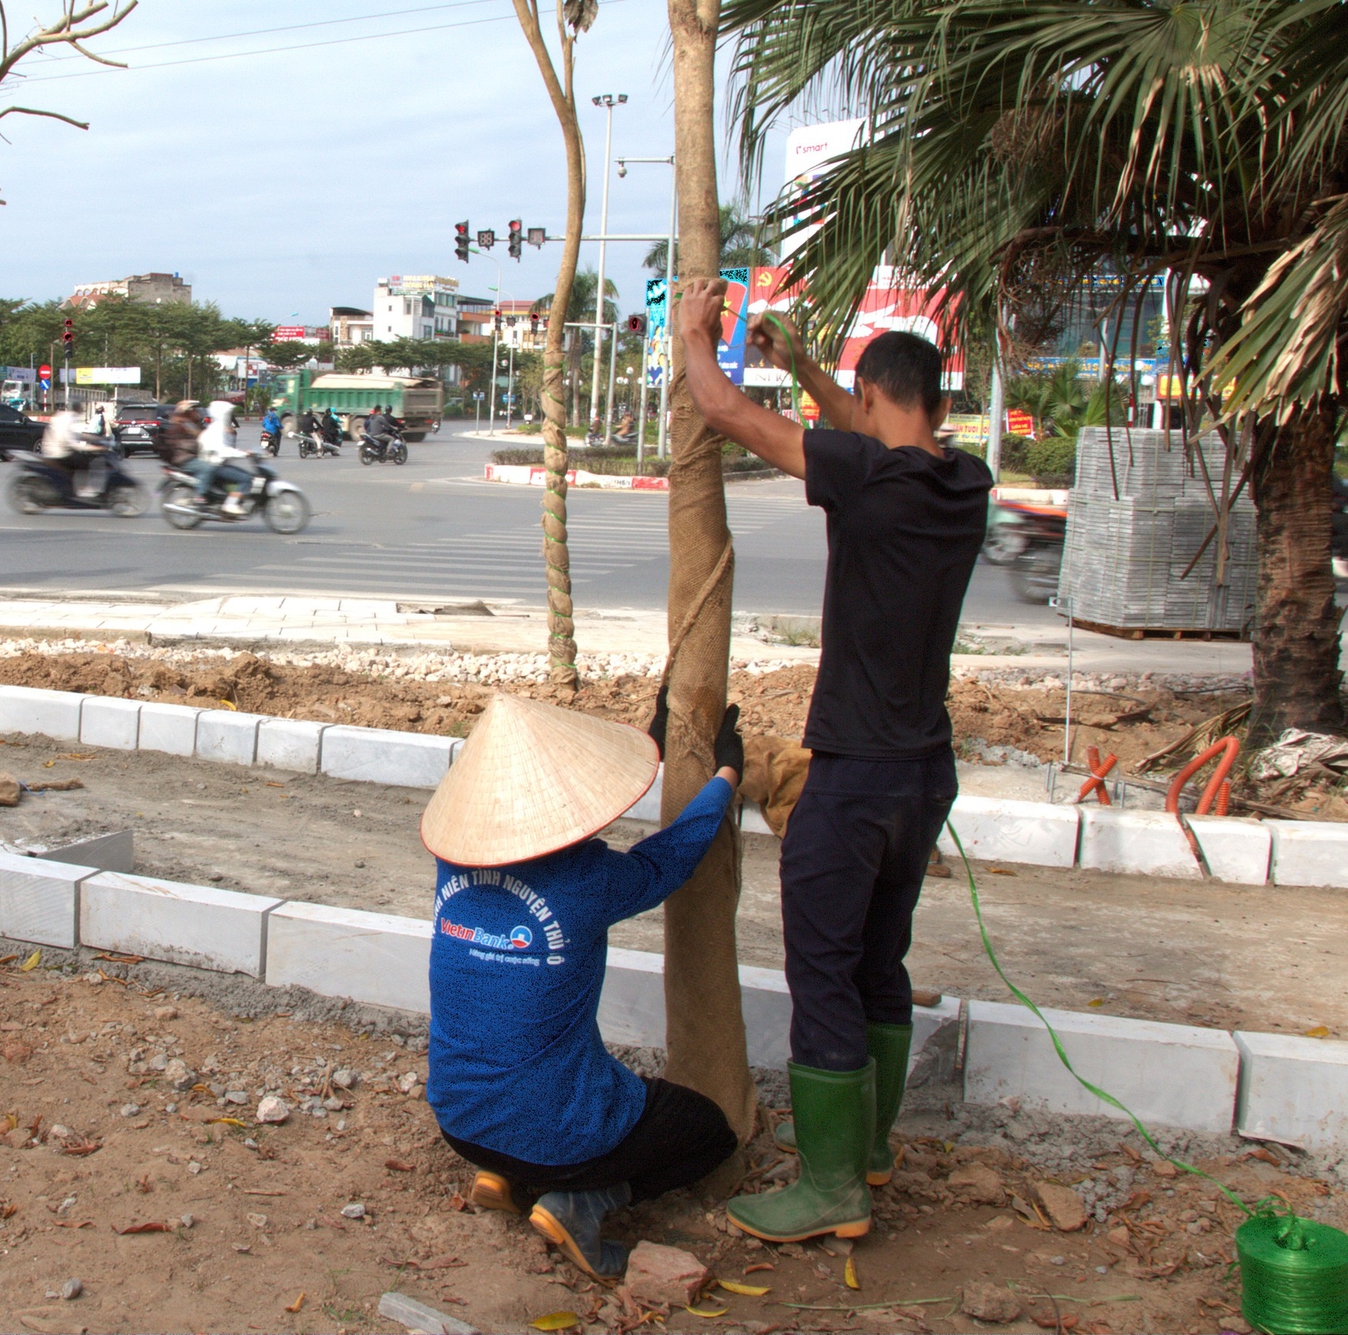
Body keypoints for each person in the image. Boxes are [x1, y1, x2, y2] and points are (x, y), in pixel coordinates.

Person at [674, 278, 989, 1244]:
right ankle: (872, 1148)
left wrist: (695, 335)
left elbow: (724, 412)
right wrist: (803, 364)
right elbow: (871, 418)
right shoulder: (963, 481)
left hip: (851, 776)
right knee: (878, 958)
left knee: (822, 967)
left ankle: (830, 1187)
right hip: (924, 773)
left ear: (872, 397)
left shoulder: (860, 475)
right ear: (935, 401)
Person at [423, 692, 745, 1280]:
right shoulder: (588, 880)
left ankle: (507, 1180)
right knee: (705, 1131)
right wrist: (725, 776)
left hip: (459, 1123)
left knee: (538, 1075)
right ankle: (579, 1202)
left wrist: (653, 750)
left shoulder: (453, 862)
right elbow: (670, 859)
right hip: (558, 1136)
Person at [198, 399, 255, 514]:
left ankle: (230, 499)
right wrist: (243, 453)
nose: (229, 416)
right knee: (246, 478)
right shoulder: (217, 430)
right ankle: (230, 504)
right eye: (227, 413)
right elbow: (223, 451)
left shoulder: (219, 428)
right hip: (215, 465)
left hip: (217, 464)